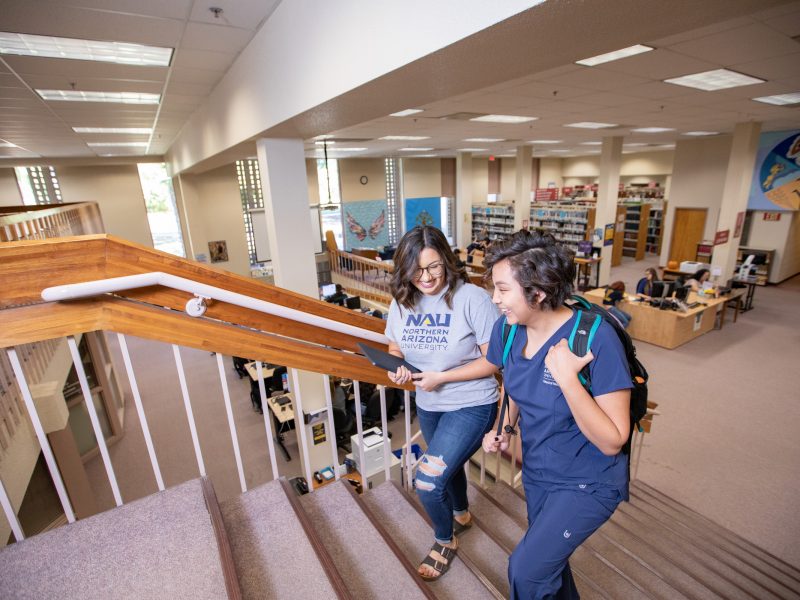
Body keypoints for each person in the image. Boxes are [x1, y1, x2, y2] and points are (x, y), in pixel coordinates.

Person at [481, 230, 632, 600]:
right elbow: (513, 383)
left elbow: (613, 440)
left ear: (539, 291)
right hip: (539, 472)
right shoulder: (507, 328)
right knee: (550, 568)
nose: (494, 299)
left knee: (526, 572)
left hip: (589, 481)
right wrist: (505, 425)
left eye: (503, 289)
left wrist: (568, 378)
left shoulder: (595, 339)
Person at [384, 225, 499, 581]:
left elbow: (495, 361)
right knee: (446, 471)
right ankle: (462, 514)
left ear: (447, 261)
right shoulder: (402, 301)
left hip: (472, 403)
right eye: (417, 270)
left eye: (434, 266)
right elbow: (394, 346)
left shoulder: (472, 298)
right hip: (430, 405)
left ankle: (445, 540)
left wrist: (442, 377)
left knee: (429, 480)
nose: (427, 277)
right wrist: (397, 367)